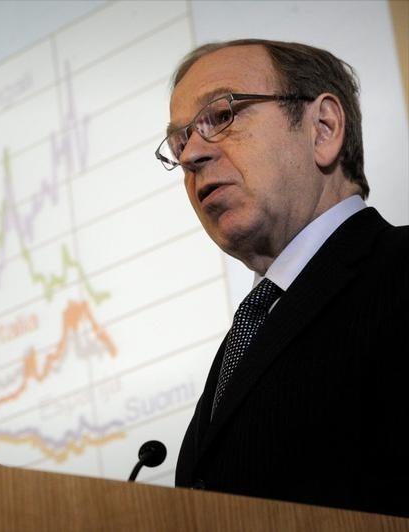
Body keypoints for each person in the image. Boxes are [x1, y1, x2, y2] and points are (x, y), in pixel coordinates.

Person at [155, 39, 408, 517]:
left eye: (223, 115)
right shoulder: (249, 331)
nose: (190, 155)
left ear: (324, 129)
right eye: (179, 141)